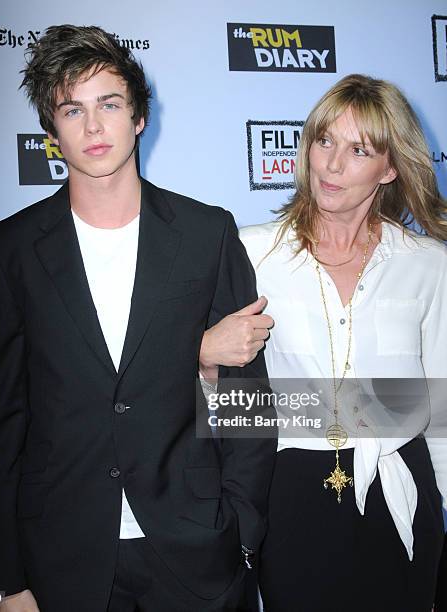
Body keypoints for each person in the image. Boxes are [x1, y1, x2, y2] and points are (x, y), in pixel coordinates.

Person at [0, 24, 276, 612]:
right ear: (51, 129)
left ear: (138, 117)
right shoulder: (10, 248)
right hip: (61, 561)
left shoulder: (206, 232)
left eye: (109, 104)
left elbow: (248, 401)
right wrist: (3, 583)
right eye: (71, 109)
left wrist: (243, 536)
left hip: (197, 556)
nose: (92, 127)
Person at [199, 74, 447, 611]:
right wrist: (203, 359)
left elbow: (443, 414)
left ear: (390, 167)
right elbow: (231, 405)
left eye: (359, 150)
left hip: (400, 483)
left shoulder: (428, 264)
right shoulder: (251, 252)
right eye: (324, 140)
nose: (332, 164)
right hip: (289, 489)